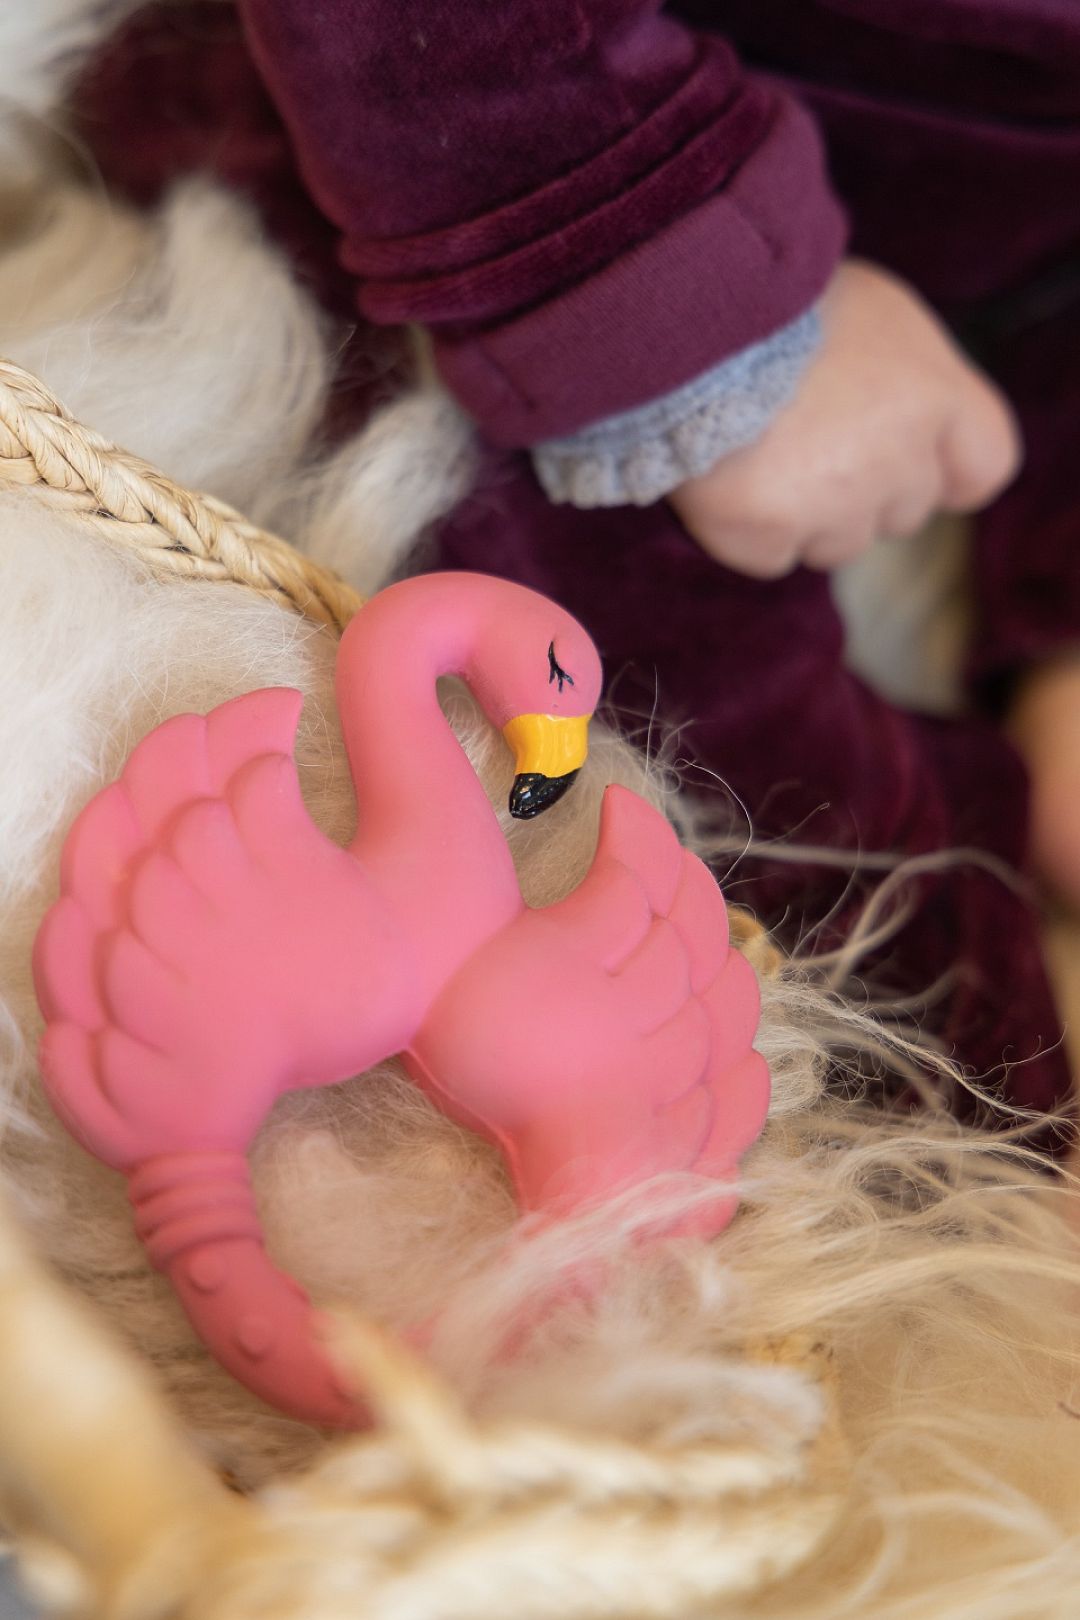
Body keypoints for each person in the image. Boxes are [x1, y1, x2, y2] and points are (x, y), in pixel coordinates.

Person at [80, 1, 1080, 1135]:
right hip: (470, 172)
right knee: (746, 782)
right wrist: (724, 331)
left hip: (962, 240)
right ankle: (946, 1122)